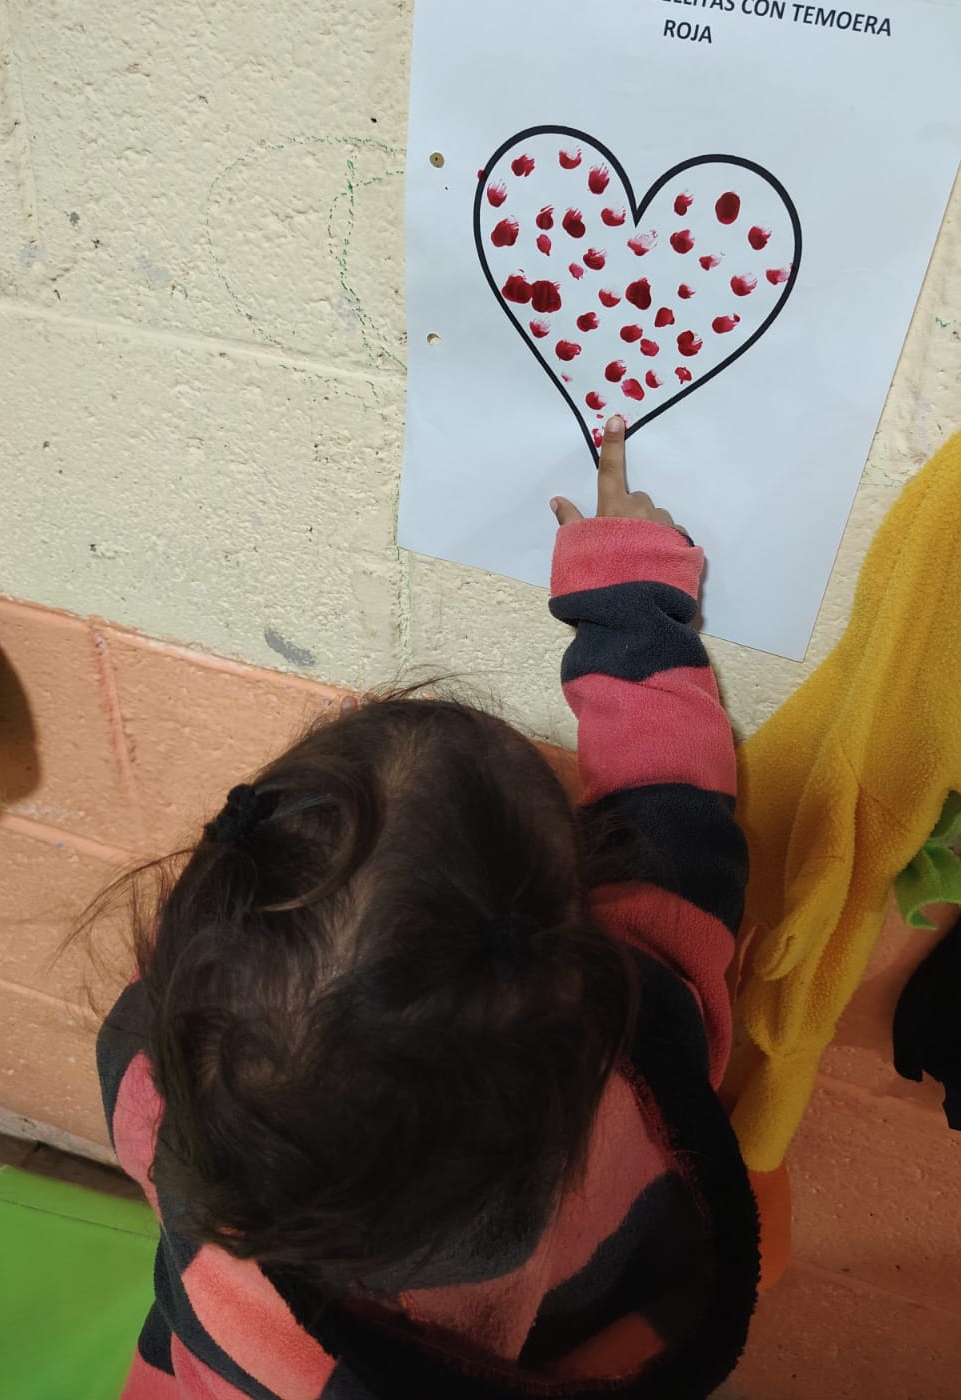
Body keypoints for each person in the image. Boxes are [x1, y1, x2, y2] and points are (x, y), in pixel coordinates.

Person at [96, 415, 759, 1399]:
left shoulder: (167, 1099)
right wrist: (630, 599)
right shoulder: (628, 1091)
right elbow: (673, 818)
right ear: (572, 971)